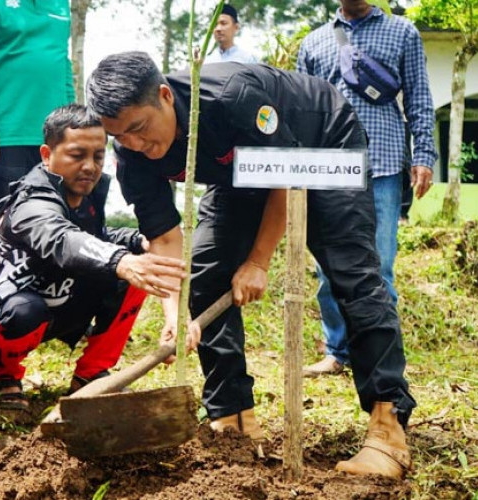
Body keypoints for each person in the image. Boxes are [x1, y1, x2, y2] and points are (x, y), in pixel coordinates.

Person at [86, 51, 415, 479]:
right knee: (206, 273)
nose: (134, 144)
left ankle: (388, 425)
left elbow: (286, 176)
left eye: (138, 129)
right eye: (119, 136)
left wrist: (258, 261)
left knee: (352, 274)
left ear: (165, 96)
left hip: (320, 141)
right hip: (241, 170)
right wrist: (174, 314)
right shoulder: (130, 154)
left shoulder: (231, 96)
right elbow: (166, 239)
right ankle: (233, 419)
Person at [0, 104, 195, 405]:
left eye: (98, 156)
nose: (89, 166)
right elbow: (61, 238)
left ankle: (91, 375)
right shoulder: (31, 202)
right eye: (76, 155)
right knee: (26, 309)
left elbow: (95, 238)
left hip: (56, 295)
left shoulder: (85, 197)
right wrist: (121, 261)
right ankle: (6, 378)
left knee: (138, 271)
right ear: (47, 155)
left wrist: (137, 242)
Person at [297, 0, 437, 377]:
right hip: (328, 169)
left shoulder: (402, 32)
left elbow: (420, 97)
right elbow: (301, 109)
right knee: (328, 269)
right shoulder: (313, 43)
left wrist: (424, 153)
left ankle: (381, 359)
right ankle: (337, 351)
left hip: (384, 162)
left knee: (380, 267)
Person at [0, 0, 76, 220]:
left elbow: (62, 65)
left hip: (56, 138)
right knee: (9, 222)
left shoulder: (60, 4)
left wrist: (75, 122)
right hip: (9, 137)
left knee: (59, 221)